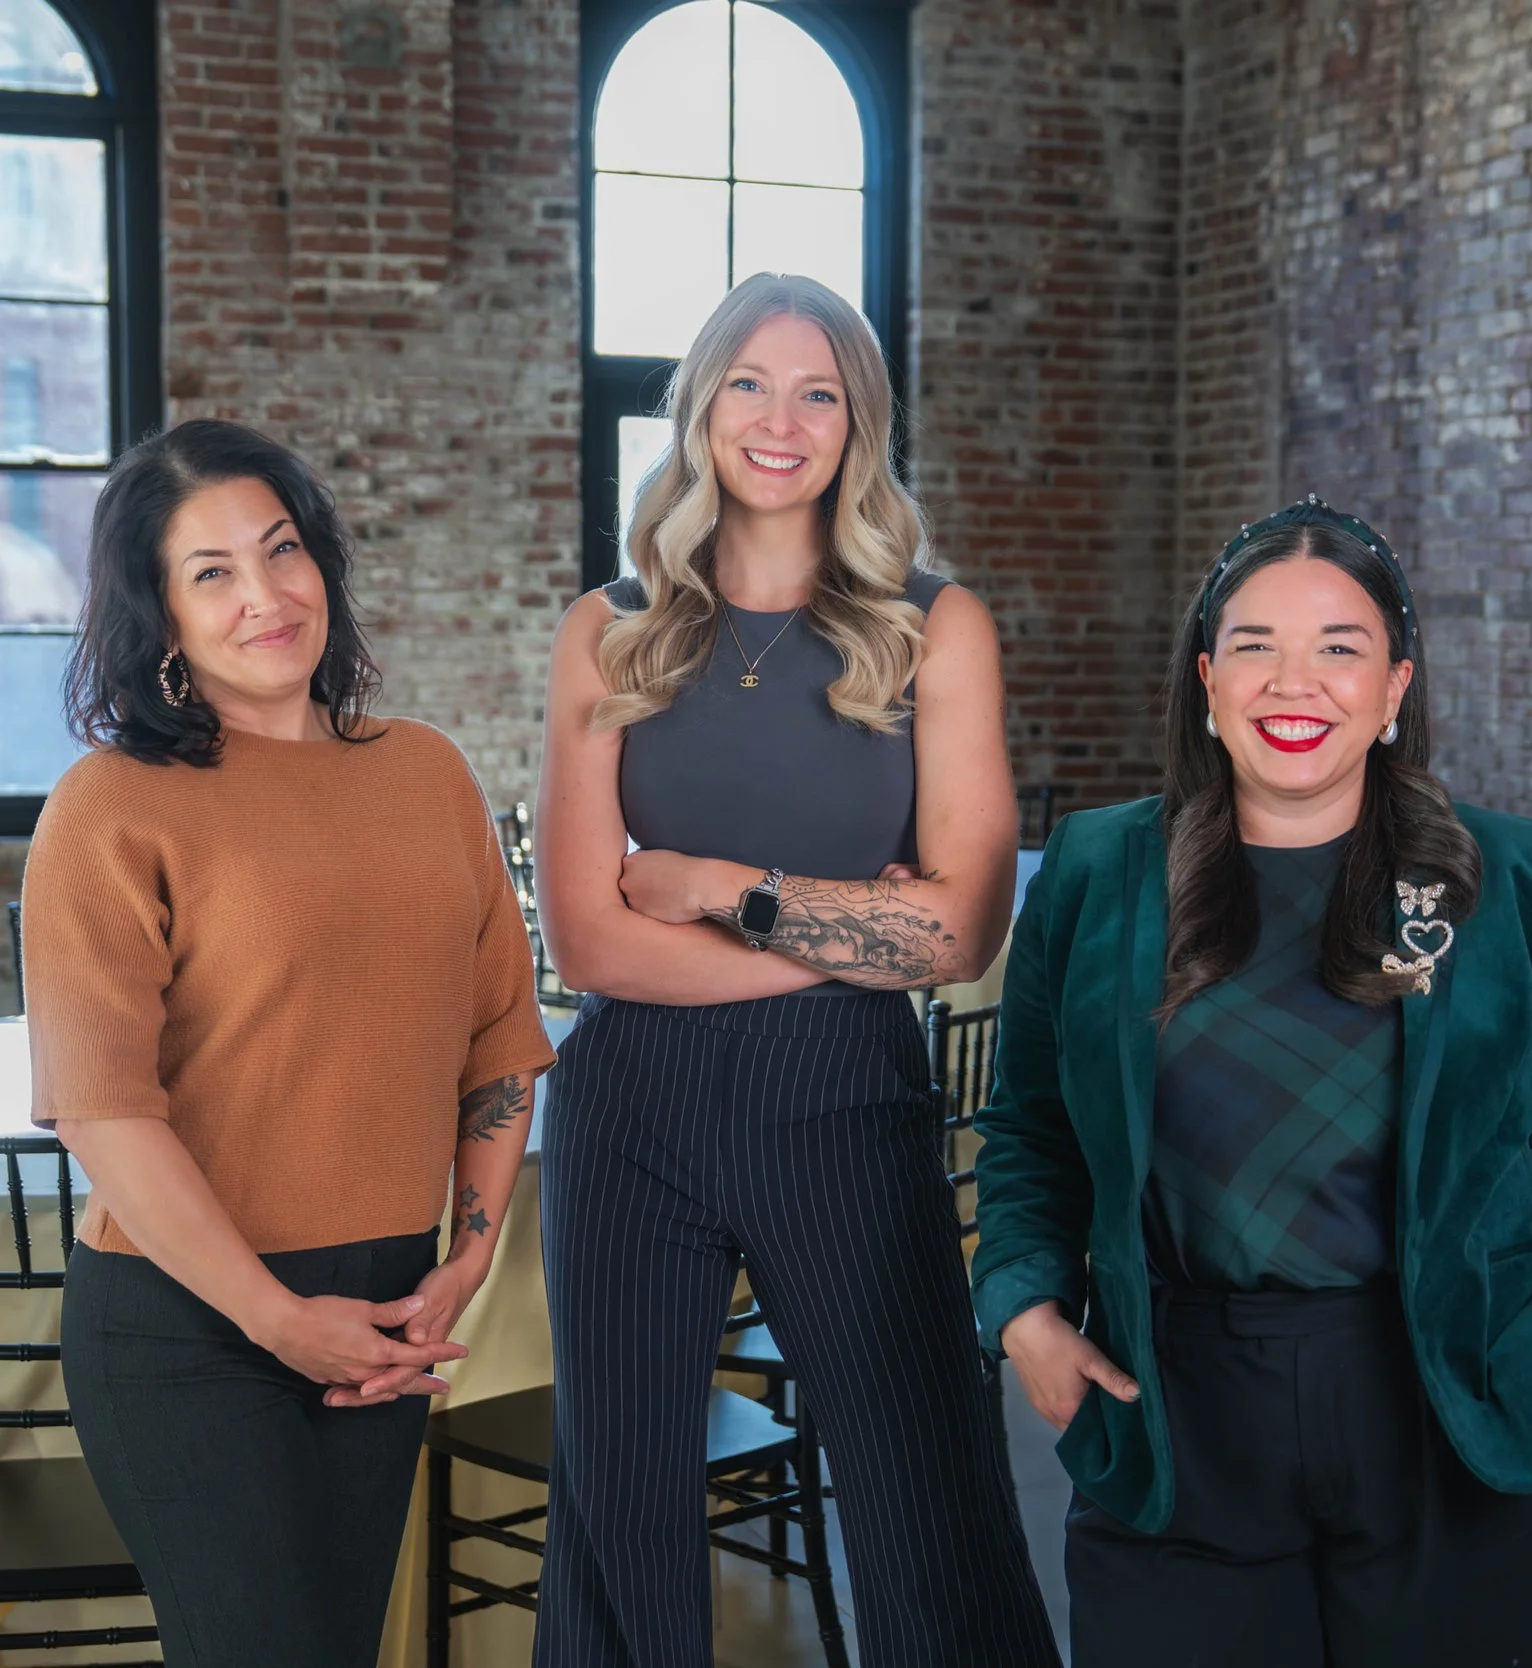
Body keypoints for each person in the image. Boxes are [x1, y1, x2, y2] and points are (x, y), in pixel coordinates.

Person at [971, 496, 1532, 1665]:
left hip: (1448, 1392)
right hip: (1176, 1402)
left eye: (1339, 651)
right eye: (1254, 649)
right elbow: (1032, 1133)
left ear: (1395, 689)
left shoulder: (1515, 876)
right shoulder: (1101, 872)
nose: (1291, 686)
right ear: (1207, 680)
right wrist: (1024, 1313)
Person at [531, 273, 1059, 1667]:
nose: (781, 419)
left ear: (858, 425)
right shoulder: (610, 628)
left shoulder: (934, 630)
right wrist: (849, 948)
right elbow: (584, 940)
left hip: (846, 1107)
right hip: (629, 1104)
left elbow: (961, 933)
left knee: (924, 1491)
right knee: (619, 1510)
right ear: (701, 407)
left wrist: (720, 894)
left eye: (818, 391)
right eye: (750, 385)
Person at [22, 418, 558, 1665]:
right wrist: (272, 1317)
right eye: (211, 572)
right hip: (189, 1330)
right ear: (155, 612)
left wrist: (463, 1261)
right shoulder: (108, 807)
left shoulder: (428, 774)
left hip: (383, 1310)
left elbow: (500, 1041)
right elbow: (103, 1108)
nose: (264, 596)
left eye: (281, 551)